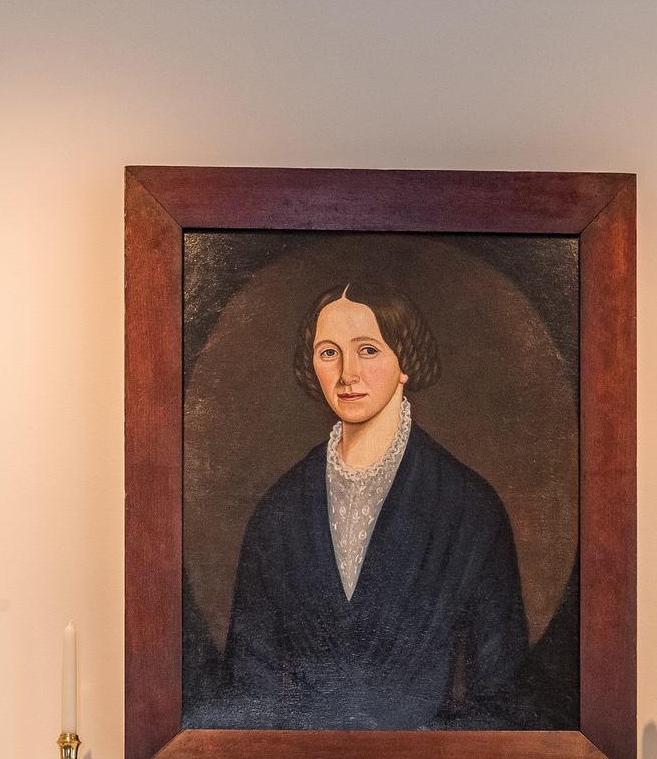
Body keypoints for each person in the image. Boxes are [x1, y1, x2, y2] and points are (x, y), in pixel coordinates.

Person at [204, 281, 531, 730]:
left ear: (405, 362)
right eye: (329, 352)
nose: (347, 375)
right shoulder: (279, 511)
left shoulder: (469, 507)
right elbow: (249, 685)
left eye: (368, 350)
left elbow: (503, 698)